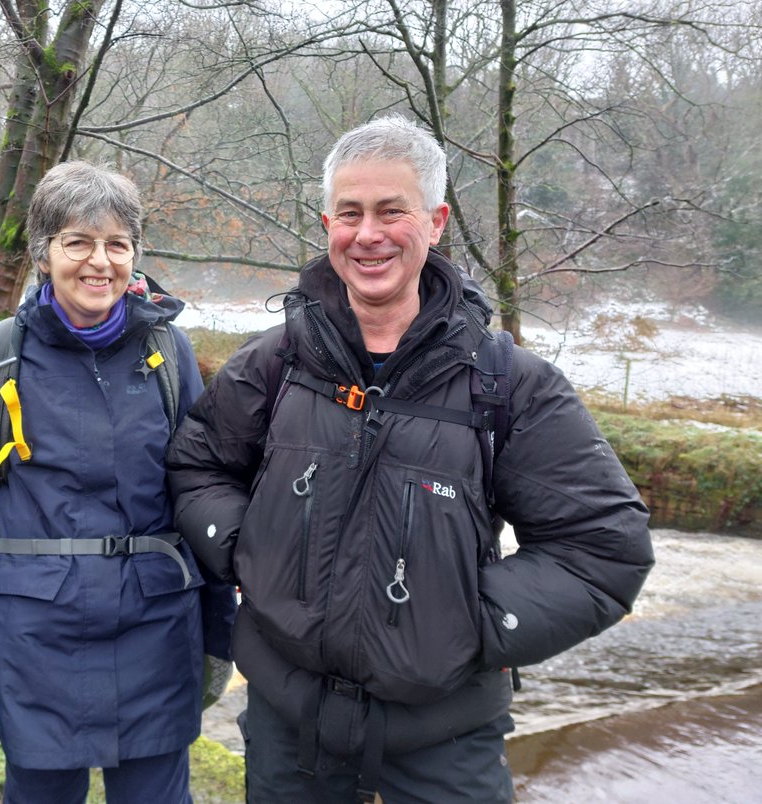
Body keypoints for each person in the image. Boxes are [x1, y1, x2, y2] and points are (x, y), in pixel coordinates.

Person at [165, 115, 655, 803]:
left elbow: (605, 549)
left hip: (444, 737)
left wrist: (470, 622)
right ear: (327, 222)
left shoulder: (507, 382)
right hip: (289, 726)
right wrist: (250, 551)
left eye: (392, 212)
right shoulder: (275, 362)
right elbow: (198, 467)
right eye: (350, 213)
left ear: (435, 220)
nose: (369, 235)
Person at [0, 160, 236, 804]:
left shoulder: (170, 353)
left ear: (135, 256)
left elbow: (202, 495)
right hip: (32, 636)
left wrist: (218, 634)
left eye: (117, 244)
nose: (100, 262)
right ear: (44, 254)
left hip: (155, 628)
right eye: (78, 242)